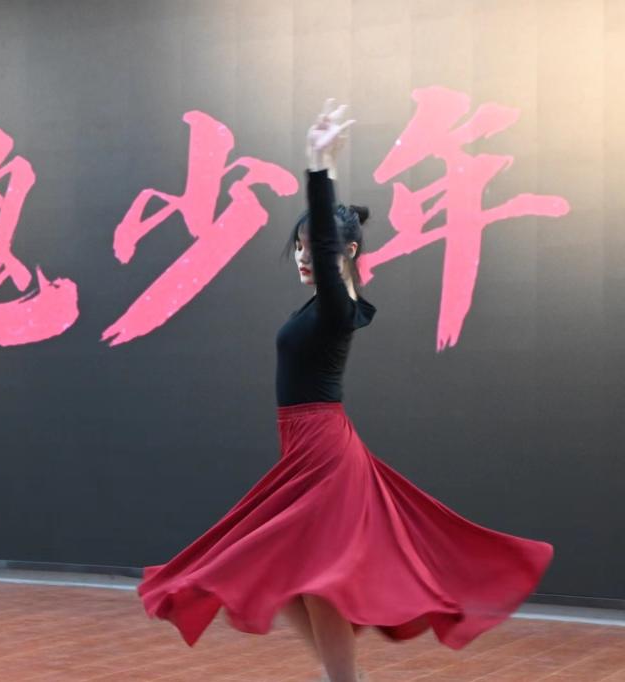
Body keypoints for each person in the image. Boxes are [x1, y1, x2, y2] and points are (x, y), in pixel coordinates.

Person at [136, 100, 554, 682]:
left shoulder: (338, 305)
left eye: (314, 246)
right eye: (299, 246)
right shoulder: (318, 306)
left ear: (346, 253)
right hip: (304, 451)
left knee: (313, 577)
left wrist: (319, 165)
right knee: (284, 576)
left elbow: (330, 252)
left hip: (325, 454)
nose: (303, 255)